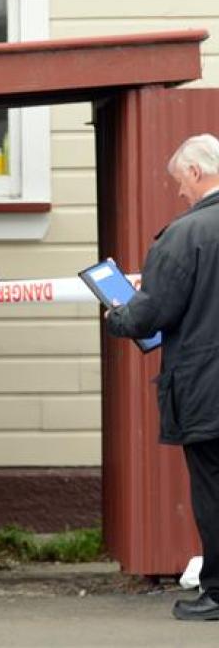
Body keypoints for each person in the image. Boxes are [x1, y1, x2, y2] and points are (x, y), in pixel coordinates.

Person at [106, 133, 219, 621]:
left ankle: (217, 593)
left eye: (179, 183)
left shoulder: (186, 234)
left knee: (213, 492)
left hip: (208, 388)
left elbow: (148, 315)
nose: (179, 193)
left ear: (196, 173)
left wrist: (118, 312)